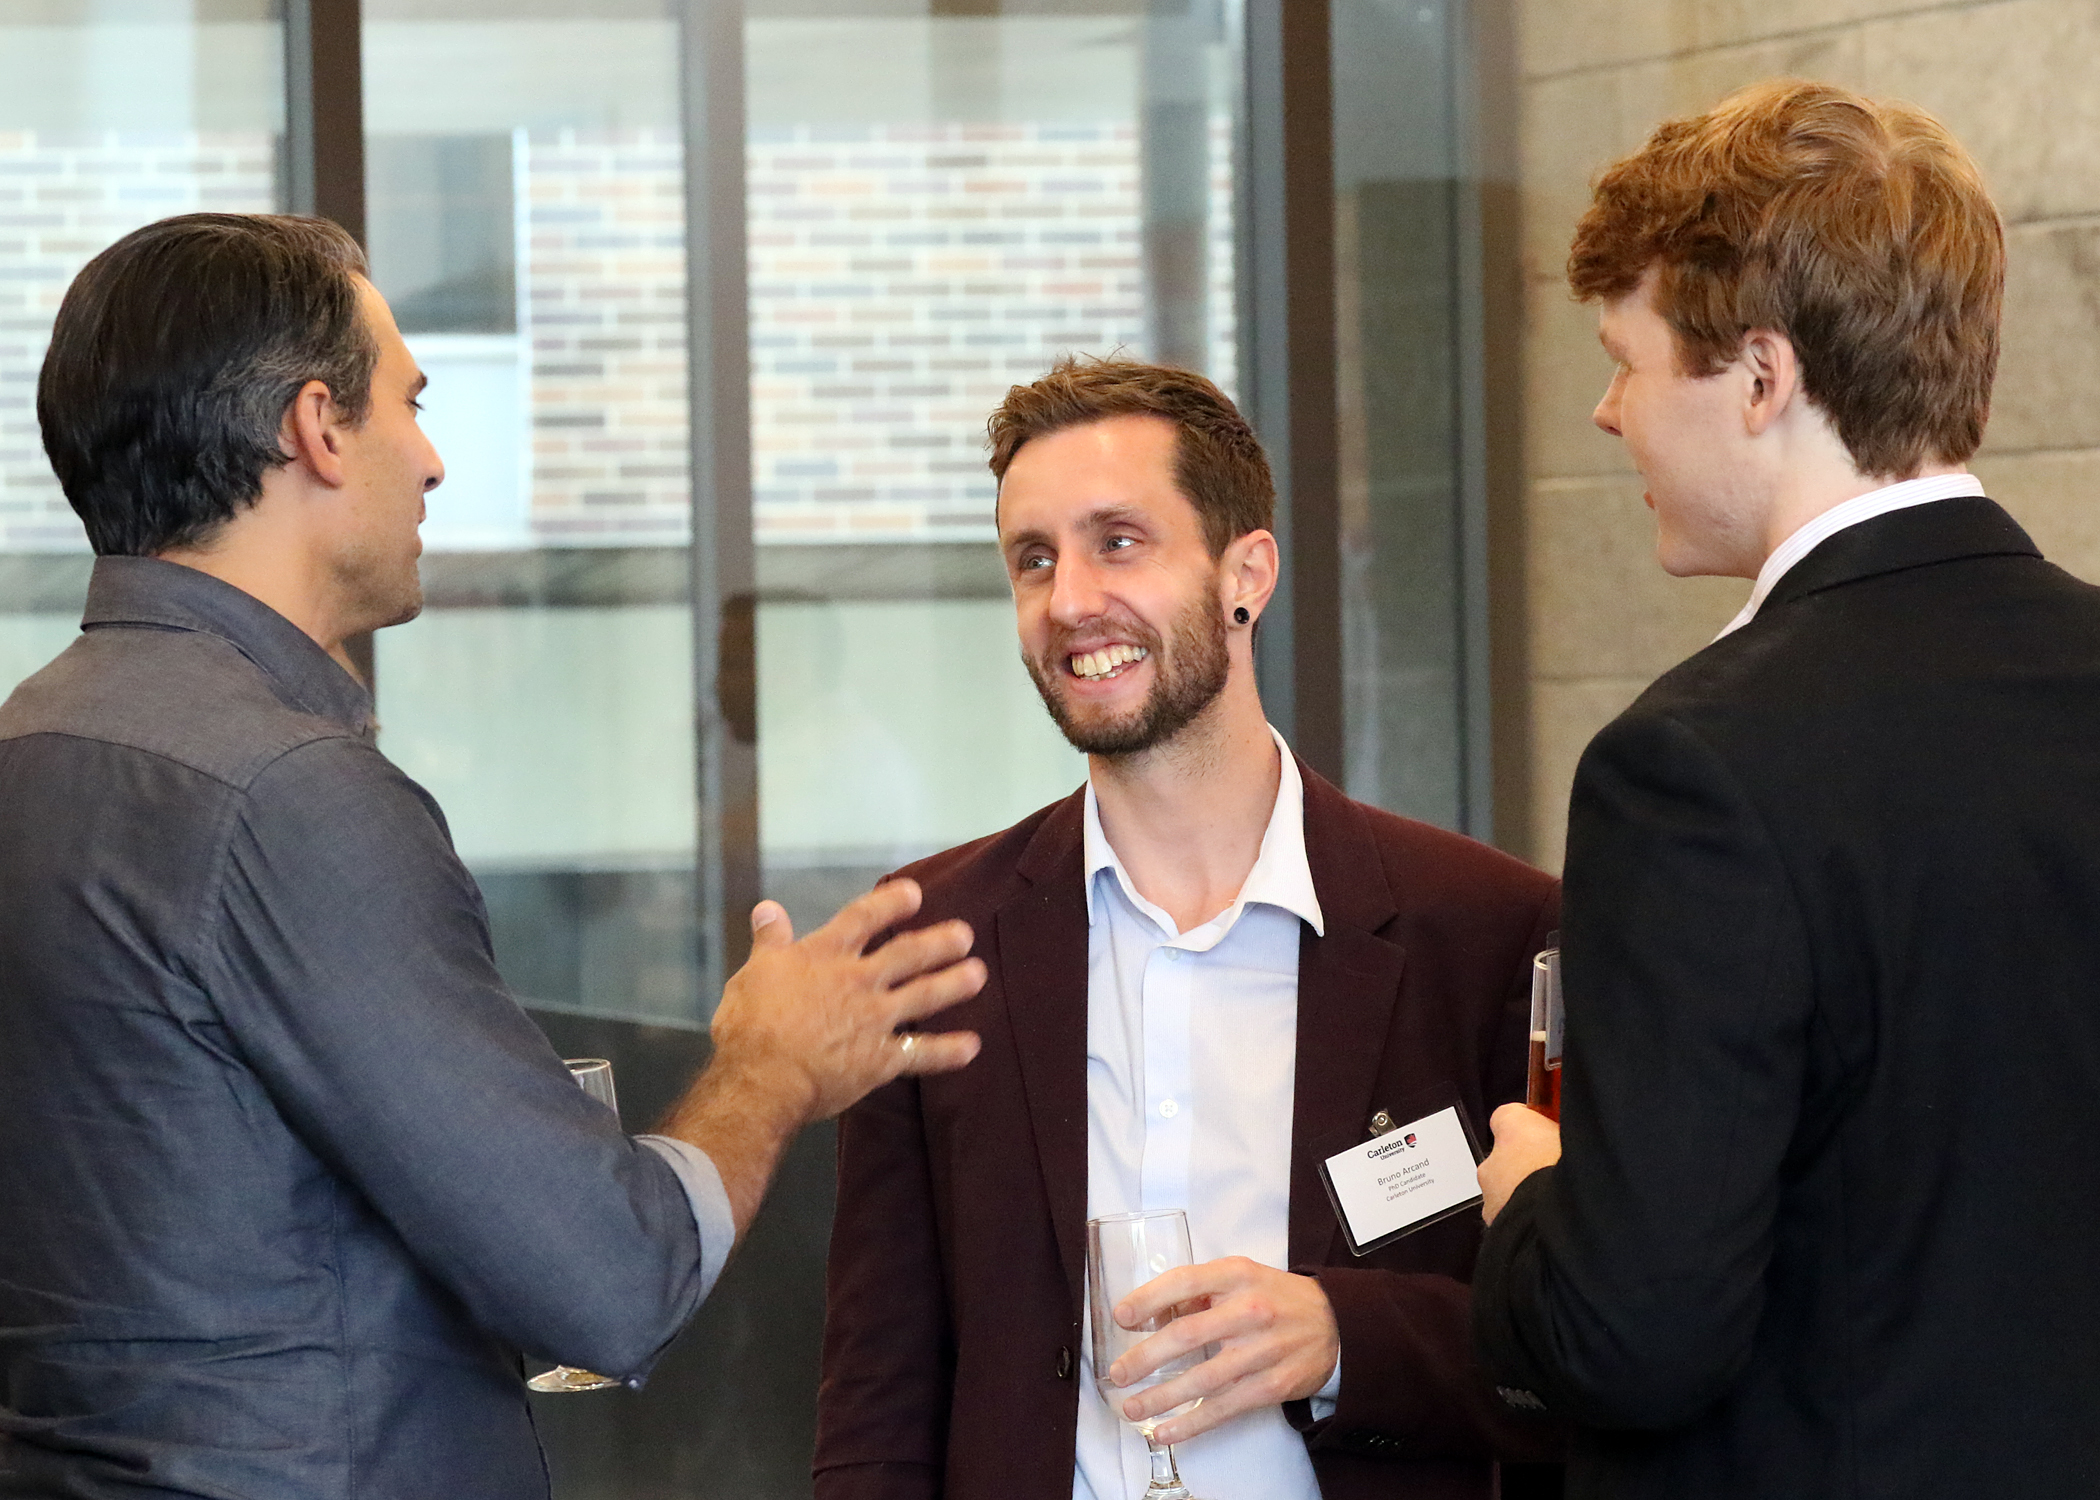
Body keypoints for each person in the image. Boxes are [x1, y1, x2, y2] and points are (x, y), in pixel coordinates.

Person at [0, 212, 986, 1500]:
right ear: (317, 427)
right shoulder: (291, 795)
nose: (433, 462)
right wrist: (772, 1066)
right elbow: (609, 1279)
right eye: (410, 403)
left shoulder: (30, 748)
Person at [1470, 79, 2100, 1497]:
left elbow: (1633, 1335)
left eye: (1626, 361)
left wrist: (1530, 1211)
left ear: (1762, 377)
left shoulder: (1693, 765)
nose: (1606, 413)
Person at [815, 357, 1562, 1500]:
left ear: (1244, 574)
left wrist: (1341, 1339)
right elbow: (878, 1396)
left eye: (1118, 543)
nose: (1069, 601)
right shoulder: (933, 946)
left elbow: (1570, 1365)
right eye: (1033, 559)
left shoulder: (1488, 934)